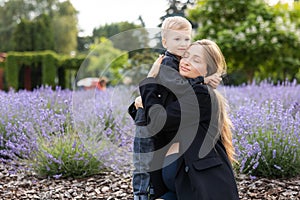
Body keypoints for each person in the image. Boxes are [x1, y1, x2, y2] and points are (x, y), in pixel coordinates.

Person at [128, 16, 221, 200]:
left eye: (187, 39)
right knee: (143, 164)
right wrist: (202, 79)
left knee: (148, 163)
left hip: (159, 126)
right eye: (177, 39)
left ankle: (151, 193)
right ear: (165, 41)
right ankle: (141, 195)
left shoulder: (200, 94)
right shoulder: (168, 63)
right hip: (149, 124)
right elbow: (178, 86)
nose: (183, 44)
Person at [135, 39, 239, 199]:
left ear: (208, 71)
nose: (187, 62)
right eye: (185, 56)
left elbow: (158, 120)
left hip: (202, 193)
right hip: (175, 191)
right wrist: (140, 102)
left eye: (196, 60)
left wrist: (150, 79)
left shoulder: (202, 95)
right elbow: (146, 115)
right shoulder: (178, 94)